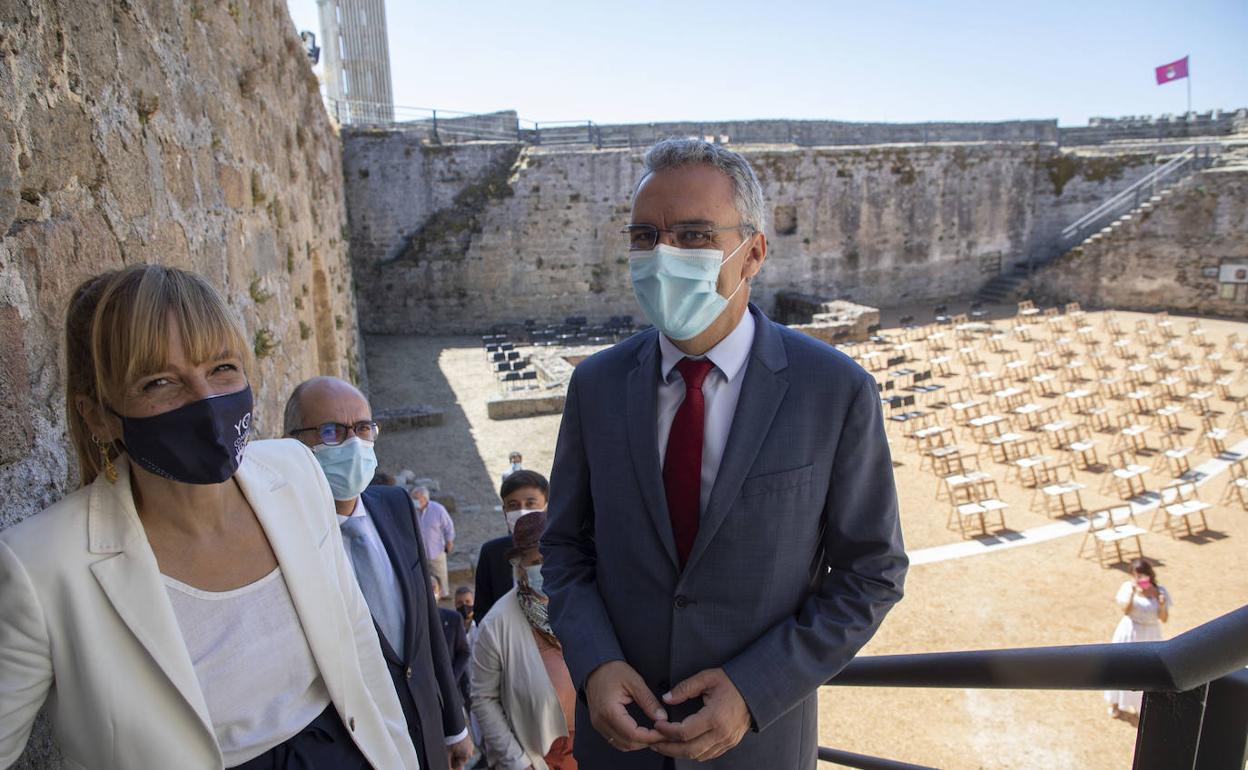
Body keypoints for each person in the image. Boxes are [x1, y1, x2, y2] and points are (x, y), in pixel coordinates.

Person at [540, 139, 908, 769]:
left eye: (692, 235)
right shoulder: (596, 385)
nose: (663, 256)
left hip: (757, 747)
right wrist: (595, 663)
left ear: (753, 253)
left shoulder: (834, 391)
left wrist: (754, 688)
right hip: (620, 744)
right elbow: (566, 546)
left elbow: (871, 572)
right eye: (644, 236)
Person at [0, 265, 419, 769]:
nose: (206, 401)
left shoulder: (296, 473)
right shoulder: (41, 567)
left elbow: (358, 649)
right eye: (159, 382)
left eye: (222, 368)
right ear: (99, 415)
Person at [285, 376, 473, 770]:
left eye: (364, 428)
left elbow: (426, 620)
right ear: (292, 443)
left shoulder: (396, 506)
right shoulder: (284, 538)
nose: (353, 443)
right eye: (331, 431)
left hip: (428, 735)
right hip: (353, 750)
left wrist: (454, 725)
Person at [471, 511, 577, 770]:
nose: (548, 567)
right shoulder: (496, 624)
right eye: (538, 560)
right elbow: (483, 698)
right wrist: (518, 762)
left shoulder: (580, 599)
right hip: (541, 754)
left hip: (594, 741)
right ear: (520, 566)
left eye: (553, 557)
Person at [475, 470, 550, 623]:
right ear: (505, 511)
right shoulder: (492, 553)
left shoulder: (563, 550)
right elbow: (482, 612)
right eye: (513, 505)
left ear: (547, 506)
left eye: (530, 503)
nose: (522, 511)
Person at [1105, 558, 1172, 719]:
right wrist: (1133, 592)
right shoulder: (1127, 588)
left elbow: (1163, 618)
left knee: (1145, 671)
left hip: (1150, 634)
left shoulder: (1159, 590)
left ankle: (1139, 704)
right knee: (1121, 666)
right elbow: (1125, 610)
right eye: (1135, 575)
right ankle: (1115, 703)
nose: (1138, 579)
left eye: (1141, 575)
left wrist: (1161, 604)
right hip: (1130, 630)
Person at [414, 486, 455, 600]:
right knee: (425, 575)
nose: (415, 501)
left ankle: (444, 594)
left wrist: (449, 541)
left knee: (440, 573)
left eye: (417, 499)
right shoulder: (412, 510)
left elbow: (448, 526)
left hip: (436, 549)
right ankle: (429, 596)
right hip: (420, 551)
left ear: (425, 499)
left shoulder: (438, 509)